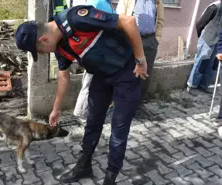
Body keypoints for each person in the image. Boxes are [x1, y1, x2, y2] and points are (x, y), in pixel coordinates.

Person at [15, 5, 148, 184]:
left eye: (39, 51)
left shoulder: (77, 17)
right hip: (101, 76)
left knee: (118, 129)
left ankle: (110, 177)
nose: (43, 53)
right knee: (92, 123)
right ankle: (84, 166)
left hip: (127, 72)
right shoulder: (59, 48)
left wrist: (140, 60)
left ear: (44, 39)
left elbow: (128, 21)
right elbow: (63, 78)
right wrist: (56, 109)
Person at [73, 0, 116, 123]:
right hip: (97, 50)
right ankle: (82, 114)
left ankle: (87, 112)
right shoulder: (99, 3)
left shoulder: (106, 3)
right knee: (89, 83)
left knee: (93, 83)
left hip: (101, 50)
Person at [116, 0, 164, 102]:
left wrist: (157, 38)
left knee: (145, 74)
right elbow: (119, 18)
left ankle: (137, 104)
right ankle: (120, 103)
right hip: (130, 39)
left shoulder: (158, 1)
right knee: (126, 72)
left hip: (150, 40)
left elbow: (160, 20)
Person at [187, 0, 222, 95]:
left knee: (212, 64)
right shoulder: (214, 8)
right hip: (207, 39)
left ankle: (204, 85)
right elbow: (200, 24)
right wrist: (201, 39)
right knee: (200, 62)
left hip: (218, 41)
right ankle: (192, 85)